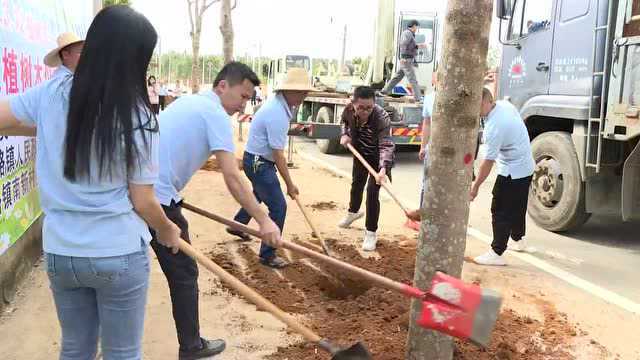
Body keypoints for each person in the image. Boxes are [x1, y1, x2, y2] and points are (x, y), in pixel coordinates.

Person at [0, 5, 182, 359]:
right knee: (122, 353)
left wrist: (50, 128)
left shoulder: (50, 94)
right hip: (116, 251)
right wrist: (166, 230)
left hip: (61, 252)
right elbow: (142, 201)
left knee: (76, 349)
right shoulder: (138, 115)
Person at [153, 61, 283, 359]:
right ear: (222, 86)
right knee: (184, 272)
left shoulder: (191, 102)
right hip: (154, 197)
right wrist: (264, 220)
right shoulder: (214, 114)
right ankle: (191, 347)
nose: (242, 105)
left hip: (151, 192)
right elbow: (233, 177)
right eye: (242, 96)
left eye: (249, 99)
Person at [228, 68, 311, 268]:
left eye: (305, 92)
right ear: (288, 91)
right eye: (300, 92)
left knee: (258, 194)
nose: (303, 96)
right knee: (278, 206)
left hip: (255, 159)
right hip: (259, 163)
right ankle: (268, 254)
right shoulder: (277, 112)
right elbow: (278, 155)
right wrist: (290, 185)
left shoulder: (282, 107)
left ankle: (237, 225)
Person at [470, 88, 535, 266]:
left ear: (486, 102)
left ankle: (496, 252)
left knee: (500, 209)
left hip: (512, 171)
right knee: (518, 205)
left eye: (477, 105)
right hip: (526, 166)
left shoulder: (494, 126)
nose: (475, 109)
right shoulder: (505, 105)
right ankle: (518, 239)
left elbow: (488, 162)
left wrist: (475, 187)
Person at [337, 86, 395, 251]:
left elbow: (386, 143)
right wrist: (344, 134)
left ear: (374, 104)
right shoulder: (348, 109)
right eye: (361, 107)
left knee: (372, 192)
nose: (365, 111)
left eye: (369, 107)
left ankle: (371, 232)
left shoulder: (381, 117)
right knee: (356, 184)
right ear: (353, 103)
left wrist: (383, 168)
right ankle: (353, 213)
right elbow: (344, 121)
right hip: (360, 153)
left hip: (378, 158)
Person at [379, 20, 428, 102]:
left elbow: (409, 46)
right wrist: (403, 57)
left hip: (406, 59)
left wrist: (418, 46)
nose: (417, 29)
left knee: (397, 77)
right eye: (417, 27)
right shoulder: (407, 33)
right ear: (414, 26)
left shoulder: (409, 34)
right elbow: (403, 44)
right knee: (412, 79)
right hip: (406, 60)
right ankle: (418, 98)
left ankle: (384, 91)